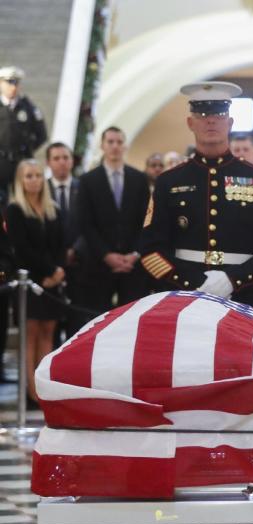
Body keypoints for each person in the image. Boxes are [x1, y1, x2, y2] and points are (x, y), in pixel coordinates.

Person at [139, 82, 253, 312]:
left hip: (243, 296)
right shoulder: (169, 181)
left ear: (230, 122)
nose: (211, 120)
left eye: (219, 113)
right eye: (202, 113)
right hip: (182, 297)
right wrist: (194, 283)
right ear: (190, 123)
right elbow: (151, 249)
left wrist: (233, 280)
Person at [73, 127, 151, 324]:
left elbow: (145, 220)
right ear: (102, 146)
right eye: (110, 142)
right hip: (98, 263)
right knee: (97, 322)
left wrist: (134, 254)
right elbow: (85, 223)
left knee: (132, 321)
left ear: (125, 145)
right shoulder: (88, 180)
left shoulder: (139, 179)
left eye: (119, 142)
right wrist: (106, 255)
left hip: (132, 264)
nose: (115, 146)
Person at [3, 160, 64, 404]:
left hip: (53, 281)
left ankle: (45, 390)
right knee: (31, 335)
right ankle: (32, 393)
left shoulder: (54, 209)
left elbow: (61, 243)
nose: (34, 180)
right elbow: (21, 249)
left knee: (49, 333)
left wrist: (58, 271)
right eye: (28, 176)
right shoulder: (15, 210)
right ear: (20, 180)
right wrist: (49, 272)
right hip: (31, 280)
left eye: (38, 175)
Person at [45, 142, 83, 342]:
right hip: (50, 266)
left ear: (71, 161)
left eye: (65, 158)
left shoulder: (83, 188)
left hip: (79, 263)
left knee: (76, 324)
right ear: (48, 162)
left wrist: (75, 249)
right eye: (56, 158)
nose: (61, 163)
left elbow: (89, 224)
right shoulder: (40, 189)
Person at [0, 66, 47, 206]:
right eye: (9, 82)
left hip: (22, 162)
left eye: (16, 83)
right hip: (0, 162)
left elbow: (41, 134)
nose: (13, 87)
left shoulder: (27, 107)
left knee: (24, 203)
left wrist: (27, 149)